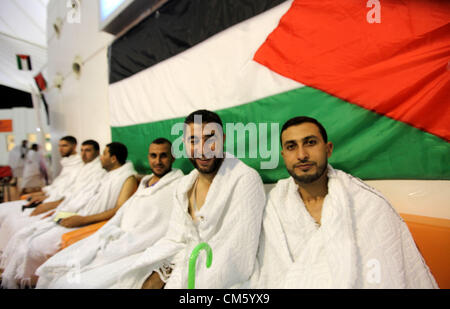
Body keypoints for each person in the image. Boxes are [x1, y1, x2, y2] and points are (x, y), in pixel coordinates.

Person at [250, 116, 438, 288]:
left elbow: (388, 273)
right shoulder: (271, 210)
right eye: (291, 146)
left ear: (328, 148)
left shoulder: (368, 204)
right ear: (284, 156)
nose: (301, 155)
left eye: (310, 143)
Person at [115, 110, 266, 289]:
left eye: (210, 139)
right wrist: (161, 273)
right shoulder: (184, 185)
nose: (202, 149)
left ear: (223, 139)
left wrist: (181, 280)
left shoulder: (245, 180)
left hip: (223, 279)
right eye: (193, 140)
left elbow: (237, 255)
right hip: (182, 268)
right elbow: (174, 240)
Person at [36, 138, 184, 288]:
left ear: (173, 157)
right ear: (148, 157)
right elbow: (123, 211)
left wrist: (126, 241)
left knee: (75, 283)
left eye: (163, 156)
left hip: (138, 246)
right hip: (118, 238)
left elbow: (161, 225)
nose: (158, 161)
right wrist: (109, 234)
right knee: (61, 271)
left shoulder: (179, 186)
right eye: (153, 156)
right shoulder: (145, 183)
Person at [0, 142, 138, 288]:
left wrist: (82, 219)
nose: (101, 158)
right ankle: (16, 279)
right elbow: (84, 197)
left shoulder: (127, 178)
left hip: (87, 221)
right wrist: (63, 210)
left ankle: (29, 281)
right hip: (78, 215)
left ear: (113, 158)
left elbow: (118, 209)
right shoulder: (107, 175)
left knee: (35, 245)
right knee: (26, 236)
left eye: (104, 154)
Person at [0, 140, 106, 253]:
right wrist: (45, 197)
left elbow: (80, 196)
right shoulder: (81, 166)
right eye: (82, 150)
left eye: (88, 150)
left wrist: (55, 206)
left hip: (67, 207)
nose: (83, 154)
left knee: (27, 237)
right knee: (14, 222)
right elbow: (63, 188)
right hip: (60, 202)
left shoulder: (96, 170)